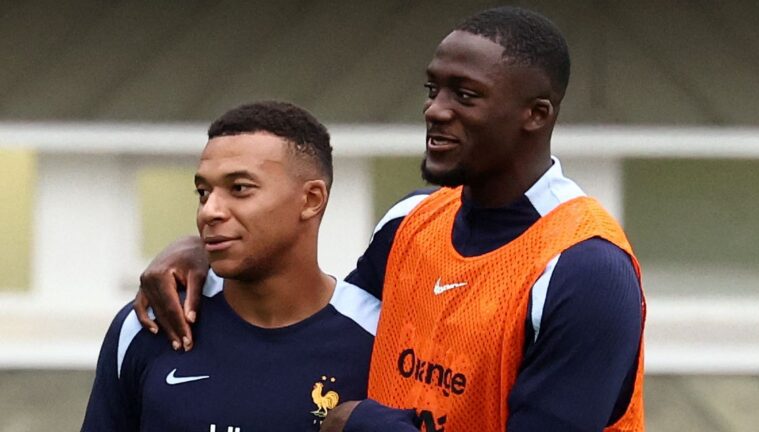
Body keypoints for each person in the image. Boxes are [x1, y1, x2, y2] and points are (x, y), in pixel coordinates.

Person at [135, 7, 645, 431]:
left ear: (536, 114)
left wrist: (365, 425)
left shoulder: (584, 269)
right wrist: (210, 249)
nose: (435, 110)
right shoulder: (411, 221)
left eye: (465, 95)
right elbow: (323, 327)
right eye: (433, 90)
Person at [82, 101, 380, 431]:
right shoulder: (150, 324)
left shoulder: (379, 337)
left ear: (311, 199)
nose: (209, 211)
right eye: (203, 192)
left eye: (239, 188)